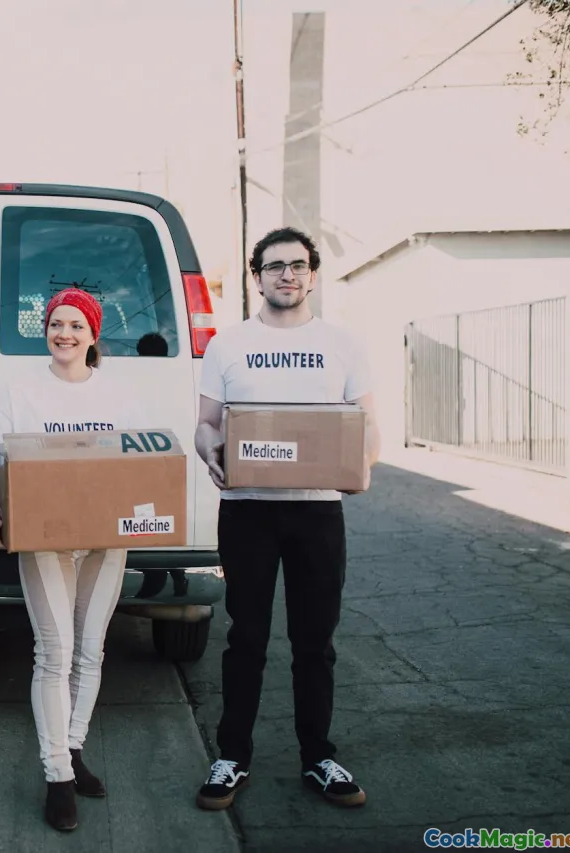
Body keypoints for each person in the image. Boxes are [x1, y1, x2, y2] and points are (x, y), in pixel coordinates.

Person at [192, 227, 380, 811]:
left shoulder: (343, 345)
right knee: (245, 637)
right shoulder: (228, 345)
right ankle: (232, 757)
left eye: (298, 266)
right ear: (257, 276)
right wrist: (211, 453)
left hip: (318, 511)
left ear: (313, 274)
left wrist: (363, 467)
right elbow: (206, 424)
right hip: (248, 513)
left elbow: (366, 425)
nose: (287, 275)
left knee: (314, 642)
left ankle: (317, 756)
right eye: (275, 266)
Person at [0, 288, 145, 833]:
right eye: (55, 323)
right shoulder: (22, 392)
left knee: (90, 650)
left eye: (75, 324)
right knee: (55, 651)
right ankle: (57, 777)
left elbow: (141, 466)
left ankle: (72, 750)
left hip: (104, 542)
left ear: (93, 335)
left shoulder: (118, 395)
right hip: (43, 539)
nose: (63, 332)